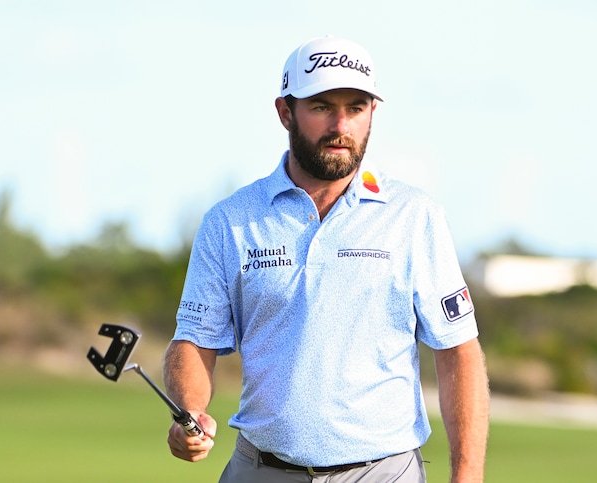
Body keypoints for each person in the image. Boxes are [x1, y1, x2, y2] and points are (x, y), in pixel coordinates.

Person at [163, 35, 489, 482]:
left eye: (355, 107)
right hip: (261, 469)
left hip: (383, 472)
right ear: (285, 112)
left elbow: (458, 351)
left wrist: (467, 475)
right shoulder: (230, 221)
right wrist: (191, 411)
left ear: (372, 113)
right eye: (321, 107)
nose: (341, 125)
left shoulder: (415, 217)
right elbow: (195, 339)